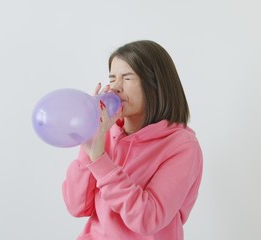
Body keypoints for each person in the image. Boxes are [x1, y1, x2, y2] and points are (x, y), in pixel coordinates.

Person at [62, 40, 203, 240]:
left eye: (127, 78)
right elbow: (77, 206)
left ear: (155, 85)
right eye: (112, 78)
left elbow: (148, 219)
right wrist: (90, 141)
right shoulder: (105, 133)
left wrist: (100, 159)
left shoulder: (182, 147)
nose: (116, 87)